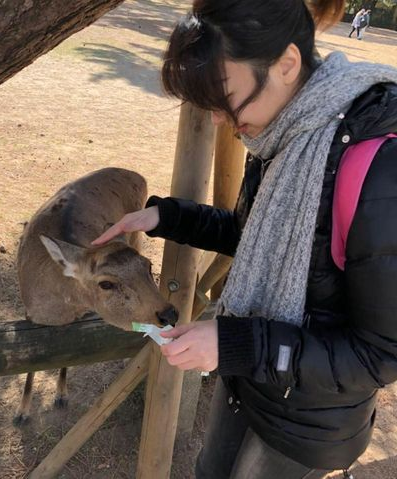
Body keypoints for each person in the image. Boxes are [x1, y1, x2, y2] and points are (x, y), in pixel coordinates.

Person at [93, 0, 397, 477]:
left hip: (308, 422)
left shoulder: (378, 169)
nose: (219, 119)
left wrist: (237, 346)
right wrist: (166, 217)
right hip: (246, 382)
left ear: (286, 64)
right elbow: (251, 233)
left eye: (226, 97)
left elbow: (380, 354)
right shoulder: (282, 131)